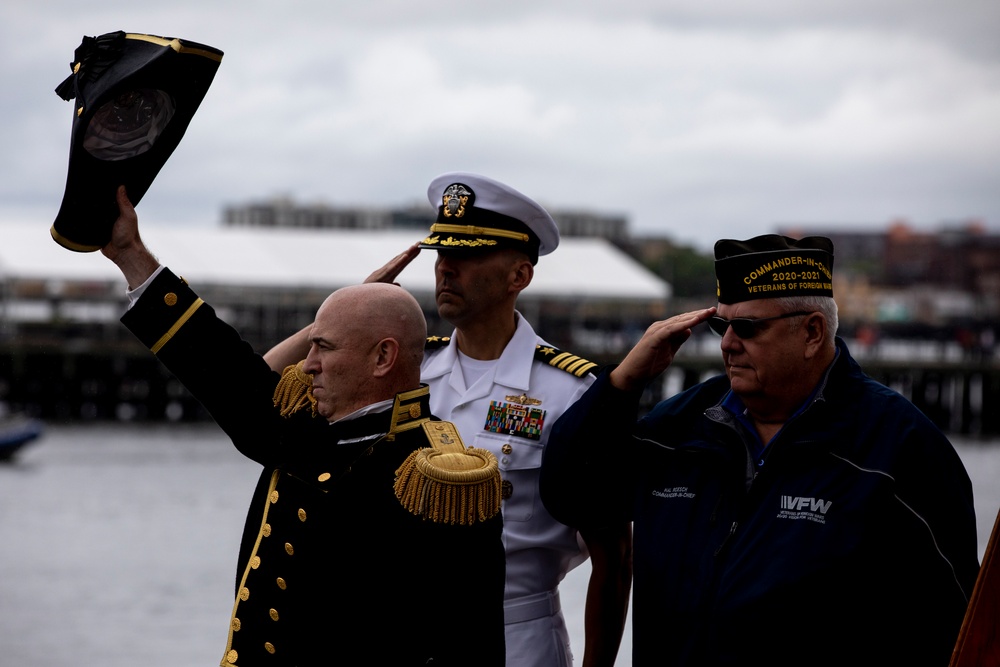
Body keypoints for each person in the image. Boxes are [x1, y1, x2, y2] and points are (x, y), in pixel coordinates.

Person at [99, 186, 506, 666]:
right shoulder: (304, 430)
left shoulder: (435, 475)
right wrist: (130, 255)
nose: (307, 365)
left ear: (383, 357)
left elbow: (468, 644)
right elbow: (225, 371)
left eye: (324, 348)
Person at [540, 234, 980, 666]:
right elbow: (569, 494)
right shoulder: (679, 428)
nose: (727, 343)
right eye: (721, 325)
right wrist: (620, 386)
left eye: (748, 328)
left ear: (812, 332)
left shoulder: (898, 447)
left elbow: (956, 625)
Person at [266, 173, 632, 667]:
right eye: (442, 256)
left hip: (515, 636)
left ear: (518, 276)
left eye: (467, 257)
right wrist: (343, 314)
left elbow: (613, 557)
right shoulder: (405, 371)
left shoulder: (569, 392)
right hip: (395, 632)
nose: (446, 270)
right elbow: (263, 394)